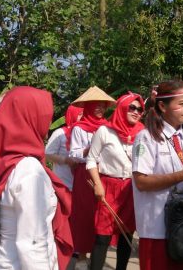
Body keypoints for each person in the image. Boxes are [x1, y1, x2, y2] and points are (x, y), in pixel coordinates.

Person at [0, 86, 73, 270]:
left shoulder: (7, 161)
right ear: (30, 118)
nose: (48, 121)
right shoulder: (30, 171)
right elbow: (32, 245)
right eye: (44, 115)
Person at [131, 80, 183, 270]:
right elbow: (141, 182)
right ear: (162, 105)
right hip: (159, 229)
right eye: (182, 104)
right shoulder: (147, 137)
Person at [86, 92, 144, 270]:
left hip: (131, 188)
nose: (136, 112)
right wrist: (97, 184)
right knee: (102, 236)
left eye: (140, 109)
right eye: (132, 107)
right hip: (108, 186)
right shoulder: (105, 131)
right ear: (122, 108)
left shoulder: (143, 133)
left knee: (127, 235)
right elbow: (91, 159)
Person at [69, 86, 116, 270]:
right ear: (87, 107)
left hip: (105, 173)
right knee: (85, 214)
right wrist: (91, 148)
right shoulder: (79, 129)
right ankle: (81, 256)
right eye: (96, 106)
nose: (100, 109)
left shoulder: (109, 127)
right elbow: (73, 154)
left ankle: (98, 256)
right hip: (85, 175)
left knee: (102, 214)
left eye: (103, 106)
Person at [46, 105, 83, 191]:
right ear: (72, 114)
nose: (83, 117)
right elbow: (47, 154)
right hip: (63, 183)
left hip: (82, 184)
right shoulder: (60, 133)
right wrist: (66, 160)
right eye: (80, 114)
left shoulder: (86, 133)